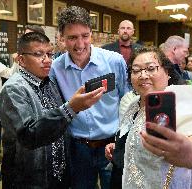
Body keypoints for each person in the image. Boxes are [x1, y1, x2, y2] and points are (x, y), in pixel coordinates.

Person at [0, 32, 105, 189]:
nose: (47, 60)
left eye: (49, 54)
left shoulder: (49, 82)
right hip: (30, 180)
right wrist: (71, 108)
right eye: (38, 54)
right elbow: (28, 134)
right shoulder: (14, 89)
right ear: (21, 60)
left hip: (58, 175)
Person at [50, 6, 129, 189]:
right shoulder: (56, 68)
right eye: (72, 38)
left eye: (85, 36)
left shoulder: (114, 61)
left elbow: (127, 102)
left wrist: (122, 141)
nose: (80, 44)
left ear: (92, 34)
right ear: (62, 38)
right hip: (78, 149)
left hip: (112, 144)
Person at [117, 46, 192, 189]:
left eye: (151, 68)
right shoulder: (133, 105)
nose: (143, 75)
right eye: (136, 70)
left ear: (167, 72)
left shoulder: (182, 99)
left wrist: (188, 153)